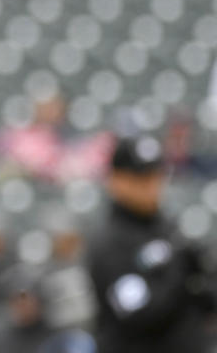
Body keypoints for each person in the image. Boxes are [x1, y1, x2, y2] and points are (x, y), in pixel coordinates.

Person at [87, 134, 217, 353]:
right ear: (117, 180)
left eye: (156, 176)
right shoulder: (108, 242)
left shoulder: (167, 226)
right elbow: (137, 314)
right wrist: (182, 276)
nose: (152, 186)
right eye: (141, 178)